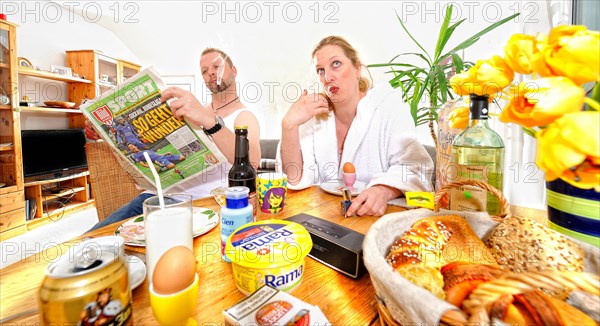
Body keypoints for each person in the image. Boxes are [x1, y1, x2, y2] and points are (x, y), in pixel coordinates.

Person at [87, 48, 261, 231]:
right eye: (204, 70)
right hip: (155, 197)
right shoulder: (193, 111)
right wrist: (104, 131)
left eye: (217, 66)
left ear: (233, 71)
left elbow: (254, 162)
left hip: (197, 204)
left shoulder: (244, 116)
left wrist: (208, 121)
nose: (210, 72)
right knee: (96, 236)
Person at [279, 36, 433, 217]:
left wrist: (384, 189)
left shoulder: (387, 106)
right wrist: (289, 125)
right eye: (321, 70)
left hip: (377, 220)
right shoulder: (316, 117)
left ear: (357, 69)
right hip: (326, 218)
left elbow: (414, 167)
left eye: (336, 64)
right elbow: (294, 179)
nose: (328, 77)